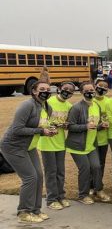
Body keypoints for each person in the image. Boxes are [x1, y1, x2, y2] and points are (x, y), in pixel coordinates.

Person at [1, 81, 55, 223]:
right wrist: (41, 131)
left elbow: (41, 125)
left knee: (39, 175)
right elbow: (17, 129)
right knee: (30, 177)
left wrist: (50, 129)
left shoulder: (47, 107)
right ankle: (24, 212)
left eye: (48, 89)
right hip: (13, 146)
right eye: (42, 89)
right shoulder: (27, 105)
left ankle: (35, 210)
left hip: (29, 146)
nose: (46, 91)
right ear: (34, 91)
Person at [66, 81, 110, 204]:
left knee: (96, 167)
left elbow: (94, 126)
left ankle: (99, 190)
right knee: (85, 168)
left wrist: (102, 126)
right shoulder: (76, 107)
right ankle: (83, 195)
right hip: (77, 146)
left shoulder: (96, 106)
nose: (90, 92)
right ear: (81, 92)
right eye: (87, 91)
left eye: (92, 90)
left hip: (91, 145)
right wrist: (85, 127)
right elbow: (70, 126)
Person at [37, 81, 74, 210]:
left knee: (60, 172)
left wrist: (66, 125)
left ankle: (61, 196)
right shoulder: (49, 102)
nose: (67, 92)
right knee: (51, 172)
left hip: (60, 143)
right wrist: (50, 126)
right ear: (59, 89)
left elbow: (69, 123)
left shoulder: (69, 106)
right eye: (65, 89)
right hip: (47, 143)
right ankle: (51, 199)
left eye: (70, 91)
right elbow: (41, 120)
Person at [93, 78, 110, 190]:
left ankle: (99, 185)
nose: (102, 89)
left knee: (101, 163)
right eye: (100, 86)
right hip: (92, 138)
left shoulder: (108, 101)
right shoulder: (91, 100)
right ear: (95, 86)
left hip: (104, 138)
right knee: (93, 164)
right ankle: (91, 185)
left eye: (105, 87)